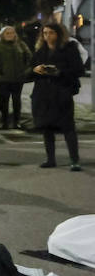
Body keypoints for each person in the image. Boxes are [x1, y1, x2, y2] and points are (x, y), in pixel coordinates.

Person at [29, 20, 83, 171]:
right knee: (46, 128)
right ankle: (50, 159)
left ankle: (74, 160)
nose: (47, 36)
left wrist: (59, 72)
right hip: (43, 94)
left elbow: (79, 70)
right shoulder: (41, 50)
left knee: (68, 128)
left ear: (59, 34)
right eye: (45, 33)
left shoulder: (69, 49)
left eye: (51, 33)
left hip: (62, 93)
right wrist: (36, 69)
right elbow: (29, 70)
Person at [0, 25, 30, 130]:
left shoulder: (21, 45)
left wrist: (25, 71)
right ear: (2, 35)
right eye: (8, 33)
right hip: (3, 79)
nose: (10, 35)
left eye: (12, 33)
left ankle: (16, 121)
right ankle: (5, 122)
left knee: (16, 101)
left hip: (18, 78)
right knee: (3, 101)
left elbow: (29, 57)